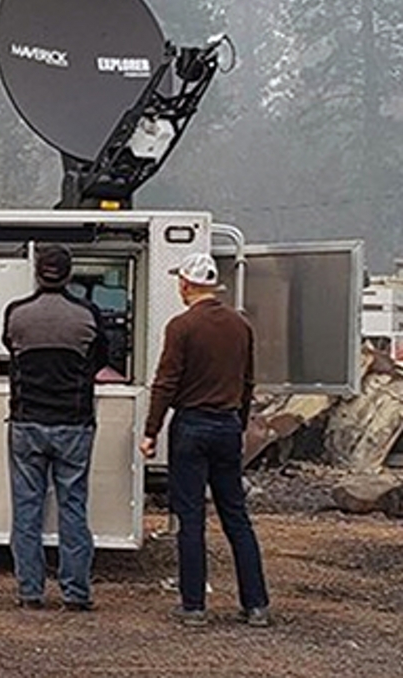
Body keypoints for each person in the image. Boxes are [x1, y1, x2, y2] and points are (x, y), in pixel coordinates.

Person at [141, 252, 271, 628]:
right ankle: (256, 604)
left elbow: (166, 383)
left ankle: (194, 605)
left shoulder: (181, 327)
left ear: (185, 284)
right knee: (236, 517)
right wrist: (240, 424)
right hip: (228, 426)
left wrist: (151, 431)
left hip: (192, 427)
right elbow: (248, 382)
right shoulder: (240, 325)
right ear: (212, 285)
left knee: (191, 517)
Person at [2, 244, 108, 611]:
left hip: (27, 423)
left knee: (26, 508)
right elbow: (101, 359)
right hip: (74, 425)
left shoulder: (16, 314)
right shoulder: (88, 315)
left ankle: (30, 591)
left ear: (36, 272)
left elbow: (10, 350)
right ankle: (76, 593)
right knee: (73, 507)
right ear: (68, 274)